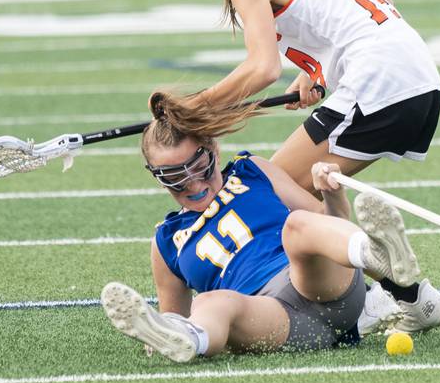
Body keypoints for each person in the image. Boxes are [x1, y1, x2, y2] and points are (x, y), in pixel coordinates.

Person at [157, 0, 440, 333]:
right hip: (404, 73)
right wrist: (317, 71)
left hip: (379, 79)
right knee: (286, 189)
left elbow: (260, 69)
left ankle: (388, 299)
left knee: (269, 190)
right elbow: (336, 14)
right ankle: (403, 298)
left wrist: (193, 108)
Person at [101, 93, 421, 361]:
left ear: (213, 148)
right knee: (210, 303)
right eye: (175, 179)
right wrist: (163, 331)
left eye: (200, 169)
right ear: (156, 177)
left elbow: (328, 221)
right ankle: (196, 341)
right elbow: (174, 316)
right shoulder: (166, 242)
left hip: (325, 286)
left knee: (297, 226)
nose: (194, 185)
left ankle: (374, 253)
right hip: (275, 320)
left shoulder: (252, 170)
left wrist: (332, 193)